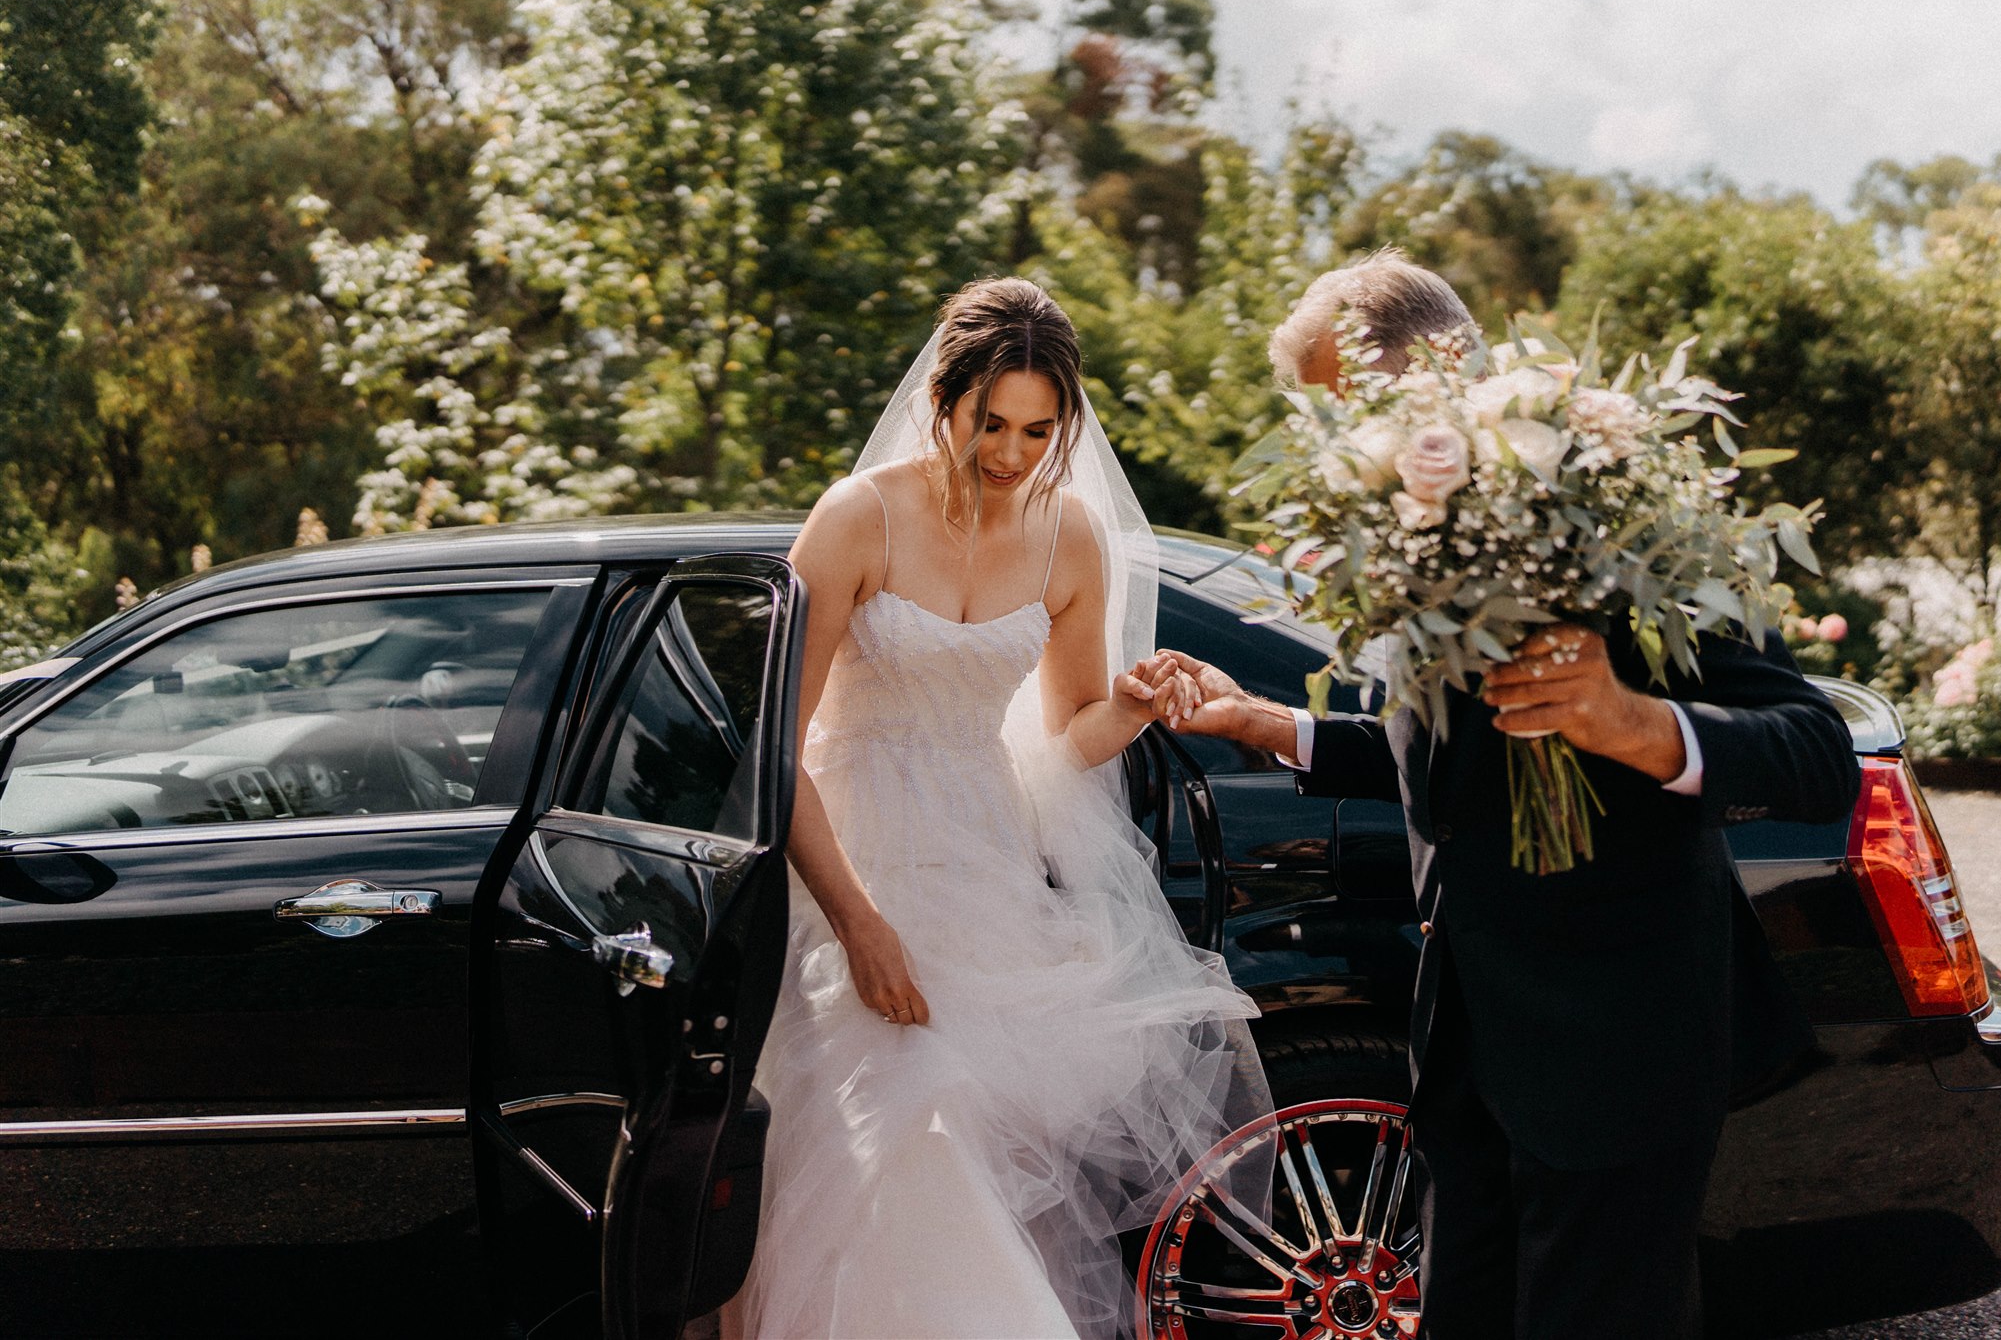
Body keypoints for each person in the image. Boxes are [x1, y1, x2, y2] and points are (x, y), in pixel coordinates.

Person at [1160, 250, 1861, 1340]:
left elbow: (1815, 750)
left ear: (1429, 377)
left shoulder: (1619, 521)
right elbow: (1459, 762)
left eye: (1331, 413)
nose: (1320, 453)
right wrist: (1275, 728)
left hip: (1614, 1055)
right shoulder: (1406, 541)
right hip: (1468, 1054)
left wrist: (1626, 721)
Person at [728, 277, 1271, 1338]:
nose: (1011, 452)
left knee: (966, 1148)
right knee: (901, 1136)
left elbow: (1065, 740)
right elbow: (771, 753)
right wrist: (858, 925)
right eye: (991, 422)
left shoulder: (1070, 536)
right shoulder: (855, 519)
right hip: (850, 871)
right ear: (945, 397)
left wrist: (1125, 703)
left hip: (984, 873)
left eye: (1037, 429)